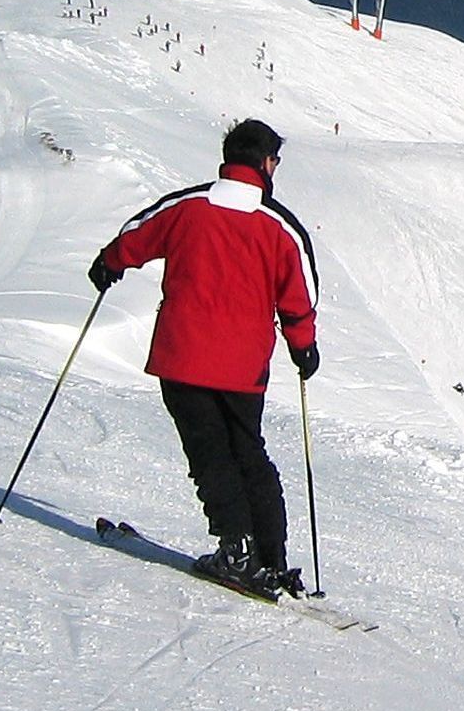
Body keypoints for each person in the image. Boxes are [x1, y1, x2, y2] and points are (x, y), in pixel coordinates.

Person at [90, 118, 320, 598]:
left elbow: (137, 235)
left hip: (183, 355)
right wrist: (304, 347)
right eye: (275, 159)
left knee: (210, 454)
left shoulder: (188, 206)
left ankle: (237, 550)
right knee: (248, 452)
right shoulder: (280, 226)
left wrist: (109, 264)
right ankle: (269, 557)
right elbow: (299, 296)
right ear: (264, 162)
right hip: (243, 367)